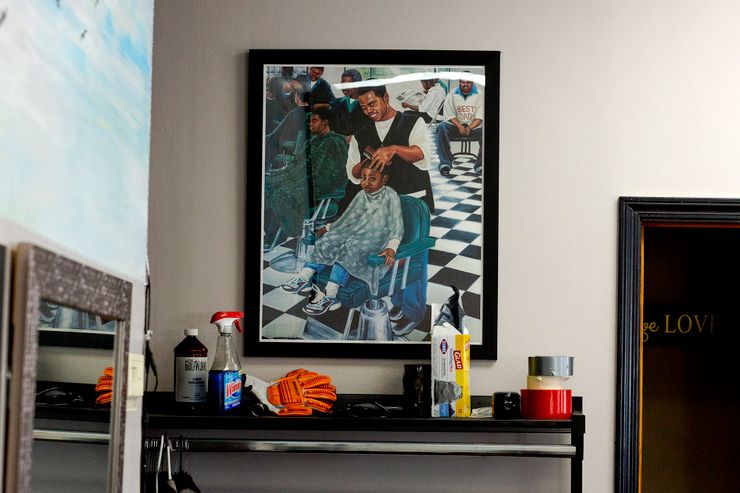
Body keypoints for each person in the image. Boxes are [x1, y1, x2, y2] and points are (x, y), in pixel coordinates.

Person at [344, 83, 434, 335]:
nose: (368, 110)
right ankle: (398, 303)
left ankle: (414, 312)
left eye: (372, 103)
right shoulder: (362, 132)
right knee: (392, 257)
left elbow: (423, 154)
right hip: (381, 205)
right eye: (363, 106)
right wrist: (365, 163)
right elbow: (351, 172)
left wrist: (394, 149)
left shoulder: (411, 122)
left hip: (413, 200)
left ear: (385, 97)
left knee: (412, 256)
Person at [280, 162, 404, 316]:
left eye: (372, 179)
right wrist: (329, 228)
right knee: (329, 240)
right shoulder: (361, 195)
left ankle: (331, 295)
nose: (366, 182)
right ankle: (304, 276)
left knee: (349, 246)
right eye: (363, 178)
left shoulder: (391, 195)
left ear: (384, 180)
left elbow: (397, 225)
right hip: (355, 232)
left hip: (376, 240)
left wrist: (392, 247)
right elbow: (348, 219)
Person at [264, 104, 348, 243]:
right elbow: (295, 166)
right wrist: (279, 176)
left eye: (314, 121)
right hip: (299, 179)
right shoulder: (311, 141)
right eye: (309, 121)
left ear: (325, 122)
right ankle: (271, 235)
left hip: (319, 186)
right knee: (266, 183)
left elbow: (337, 174)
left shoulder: (336, 141)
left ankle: (281, 234)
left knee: (280, 194)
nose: (310, 124)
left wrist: (299, 180)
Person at [436, 77, 484, 176]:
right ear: (459, 82)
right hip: (456, 126)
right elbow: (449, 115)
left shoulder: (480, 95)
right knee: (441, 128)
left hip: (474, 127)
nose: (465, 84)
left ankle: (480, 165)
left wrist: (469, 127)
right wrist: (459, 125)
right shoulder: (452, 94)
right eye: (463, 82)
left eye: (468, 82)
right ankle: (445, 164)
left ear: (472, 82)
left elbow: (480, 117)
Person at [325, 69, 370, 140]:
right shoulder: (335, 104)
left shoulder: (368, 105)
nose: (344, 88)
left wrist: (355, 137)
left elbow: (371, 128)